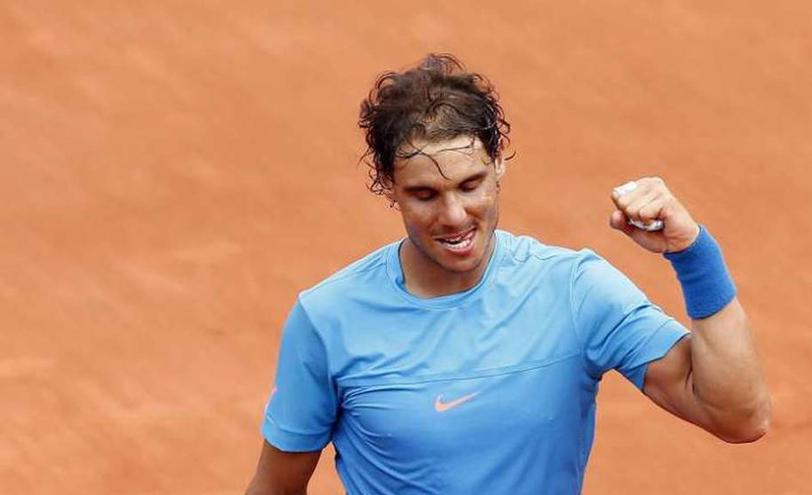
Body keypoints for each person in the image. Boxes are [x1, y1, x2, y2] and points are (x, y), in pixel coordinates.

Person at [245, 54, 771, 495]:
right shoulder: (328, 320)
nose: (453, 217)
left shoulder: (574, 292)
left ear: (499, 164)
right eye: (425, 194)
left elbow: (737, 416)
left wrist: (693, 254)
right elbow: (275, 487)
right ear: (388, 185)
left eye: (471, 185)